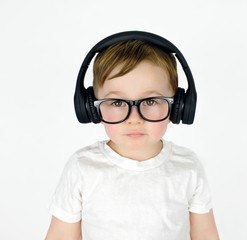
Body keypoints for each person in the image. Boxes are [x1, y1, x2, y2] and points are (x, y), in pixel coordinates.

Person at [45, 33, 219, 240]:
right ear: (91, 109)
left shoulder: (187, 167)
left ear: (178, 106)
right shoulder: (82, 167)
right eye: (117, 103)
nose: (134, 119)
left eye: (151, 101)